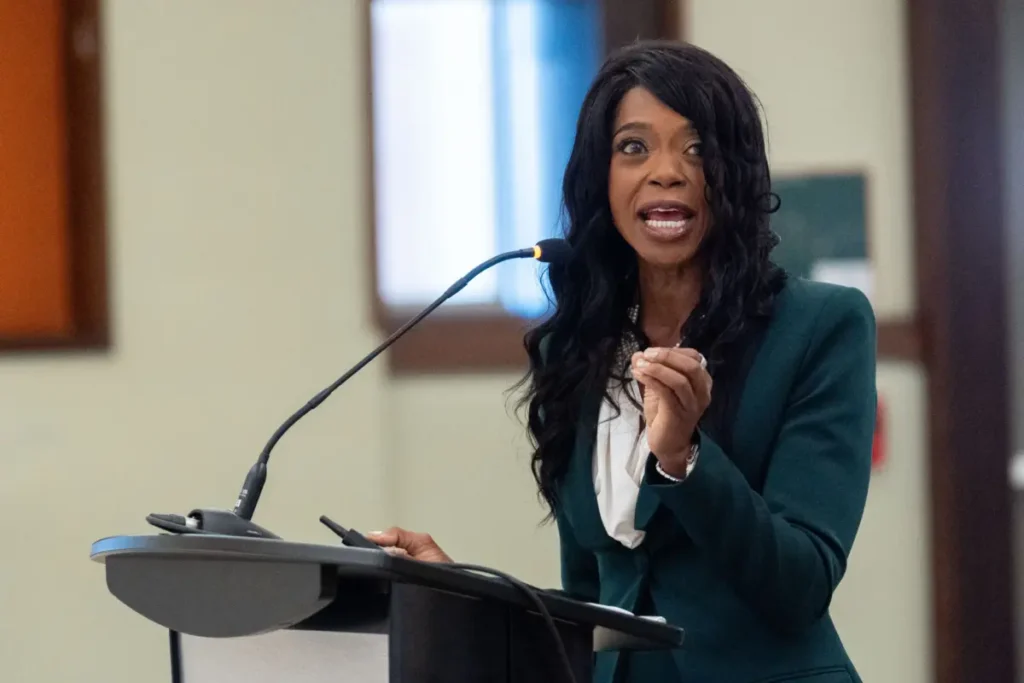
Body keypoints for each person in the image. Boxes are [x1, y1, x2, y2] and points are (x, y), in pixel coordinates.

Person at [368, 40, 876, 683]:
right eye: (633, 147)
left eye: (698, 148)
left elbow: (801, 586)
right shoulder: (572, 349)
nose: (666, 171)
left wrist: (684, 460)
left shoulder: (820, 326)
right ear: (599, 177)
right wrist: (459, 595)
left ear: (737, 172)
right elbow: (591, 609)